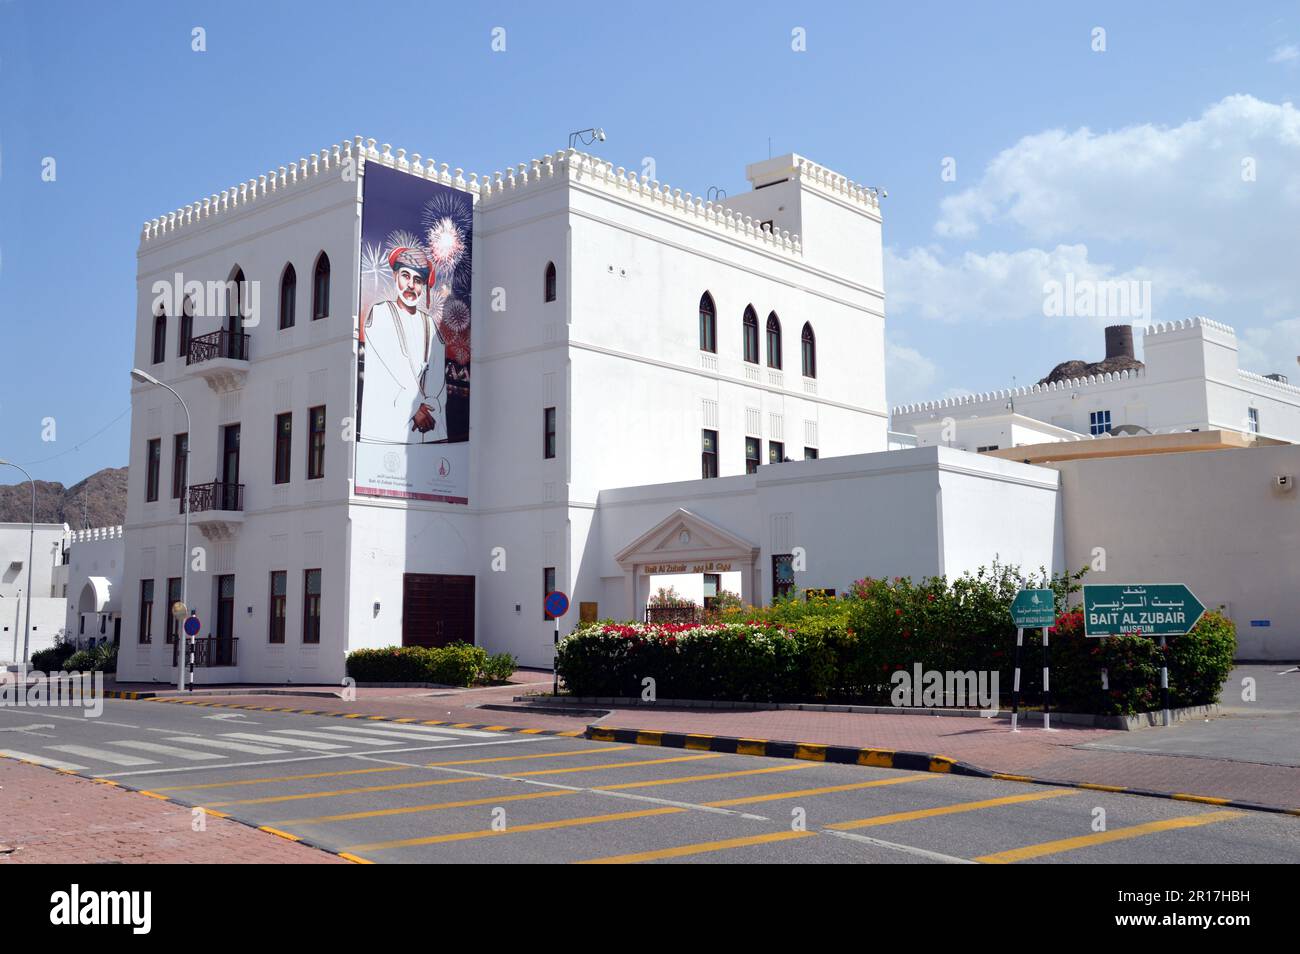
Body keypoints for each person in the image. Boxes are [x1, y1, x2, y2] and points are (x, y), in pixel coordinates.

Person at [361, 245, 448, 444]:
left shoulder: (430, 324)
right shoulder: (381, 314)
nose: (410, 285)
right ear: (395, 276)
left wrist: (428, 407)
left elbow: (437, 378)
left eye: (417, 280)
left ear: (424, 286)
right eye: (405, 276)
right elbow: (392, 369)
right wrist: (414, 408)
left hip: (426, 426)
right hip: (388, 427)